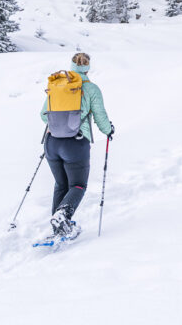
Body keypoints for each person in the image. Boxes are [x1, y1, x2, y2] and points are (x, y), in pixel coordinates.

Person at [40, 52, 114, 237]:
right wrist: (108, 130)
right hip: (76, 143)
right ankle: (62, 217)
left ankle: (59, 225)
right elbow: (100, 117)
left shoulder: (57, 85)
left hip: (52, 142)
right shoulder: (91, 89)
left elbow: (43, 114)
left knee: (60, 184)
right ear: (87, 68)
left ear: (72, 66)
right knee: (78, 185)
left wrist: (58, 126)